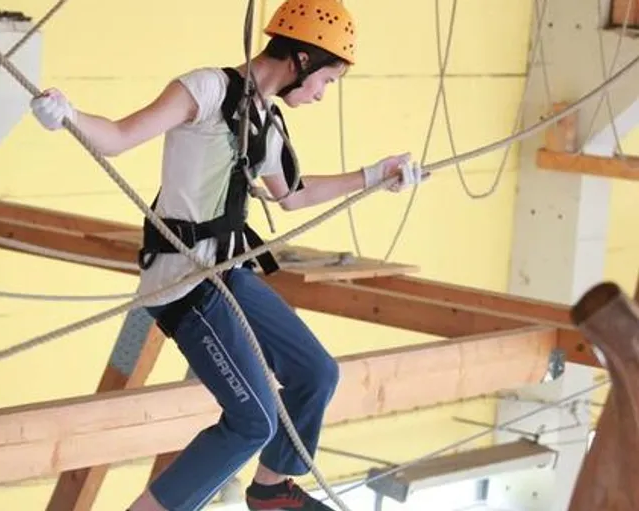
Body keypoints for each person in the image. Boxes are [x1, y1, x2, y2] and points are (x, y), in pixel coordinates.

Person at [30, 1, 427, 509]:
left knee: (317, 374)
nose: (322, 95)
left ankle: (271, 490)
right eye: (326, 82)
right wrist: (67, 114)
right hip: (184, 279)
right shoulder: (206, 90)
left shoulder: (265, 121)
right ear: (302, 60)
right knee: (253, 421)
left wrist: (376, 175)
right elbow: (119, 137)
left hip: (227, 273)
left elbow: (294, 195)